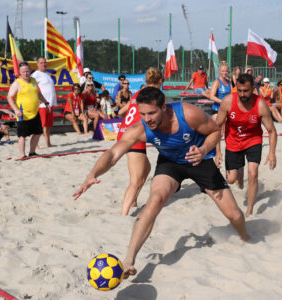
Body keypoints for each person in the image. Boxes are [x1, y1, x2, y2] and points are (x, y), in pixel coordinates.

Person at [74, 86, 250, 279]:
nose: (147, 119)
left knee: (233, 215)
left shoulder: (188, 114)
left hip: (199, 160)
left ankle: (245, 237)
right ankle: (129, 259)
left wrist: (204, 149)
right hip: (170, 163)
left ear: (164, 107)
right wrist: (92, 174)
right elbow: (113, 154)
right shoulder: (140, 128)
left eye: (151, 113)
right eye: (143, 114)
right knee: (155, 199)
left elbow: (215, 131)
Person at [215, 74, 277, 216]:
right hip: (233, 141)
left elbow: (272, 131)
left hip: (253, 140)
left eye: (246, 91)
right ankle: (239, 169)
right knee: (230, 180)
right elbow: (217, 127)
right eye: (240, 90)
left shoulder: (260, 104)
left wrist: (272, 152)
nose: (242, 94)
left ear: (253, 89)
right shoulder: (228, 101)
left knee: (253, 173)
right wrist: (217, 151)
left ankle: (250, 209)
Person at [116, 67, 163, 215]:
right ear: (160, 81)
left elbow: (121, 112)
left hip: (123, 133)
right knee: (135, 180)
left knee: (146, 168)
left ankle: (134, 201)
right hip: (134, 137)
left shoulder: (138, 93)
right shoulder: (155, 96)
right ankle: (123, 214)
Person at [7, 62, 50, 158]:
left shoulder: (33, 80)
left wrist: (46, 102)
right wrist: (16, 110)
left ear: (30, 71)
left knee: (38, 133)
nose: (26, 73)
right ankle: (23, 155)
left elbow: (38, 93)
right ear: (20, 72)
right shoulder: (17, 83)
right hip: (23, 114)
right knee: (22, 136)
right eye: (23, 71)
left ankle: (32, 152)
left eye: (27, 71)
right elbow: (9, 97)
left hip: (35, 112)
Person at [31, 56, 57, 148]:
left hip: (49, 103)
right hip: (42, 104)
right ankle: (35, 144)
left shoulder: (47, 74)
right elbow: (32, 87)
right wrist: (37, 98)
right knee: (41, 125)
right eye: (41, 63)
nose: (44, 64)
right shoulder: (35, 75)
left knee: (48, 125)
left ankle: (48, 143)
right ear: (37, 64)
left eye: (45, 62)